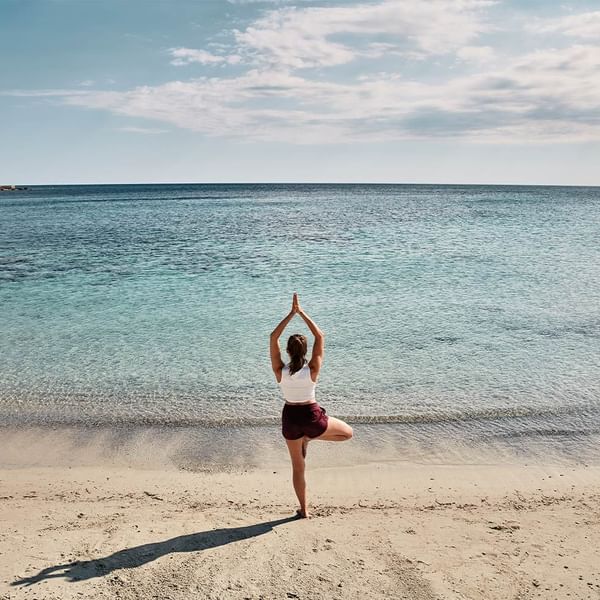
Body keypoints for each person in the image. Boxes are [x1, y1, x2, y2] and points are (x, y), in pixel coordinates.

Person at [270, 292, 353, 518]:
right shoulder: (312, 369)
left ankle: (304, 510)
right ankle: (311, 437)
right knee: (347, 433)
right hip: (311, 416)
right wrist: (301, 312)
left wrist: (290, 315)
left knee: (298, 467)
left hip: (290, 418)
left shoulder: (280, 371)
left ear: (287, 351)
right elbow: (320, 335)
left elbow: (272, 337)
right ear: (305, 352)